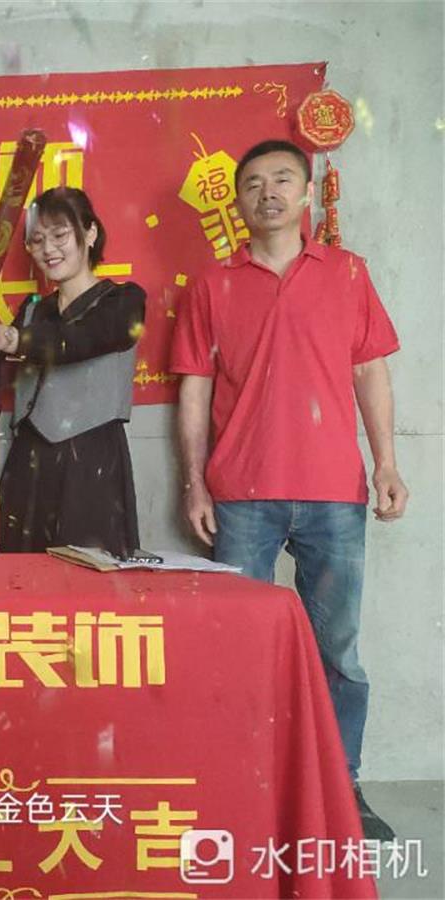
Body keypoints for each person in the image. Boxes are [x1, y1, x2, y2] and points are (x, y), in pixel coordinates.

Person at [170, 139, 408, 841]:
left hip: (334, 491)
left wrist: (387, 463)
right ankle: (243, 780)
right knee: (236, 646)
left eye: (282, 179)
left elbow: (369, 371)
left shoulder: (348, 273)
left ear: (307, 193)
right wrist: (193, 484)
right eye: (252, 183)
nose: (267, 192)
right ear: (238, 202)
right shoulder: (211, 285)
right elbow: (194, 389)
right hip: (241, 493)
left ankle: (342, 785)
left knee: (337, 650)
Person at [0, 187, 145, 556]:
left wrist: (9, 339)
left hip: (91, 463)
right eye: (37, 240)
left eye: (60, 235)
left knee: (91, 575)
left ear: (90, 233)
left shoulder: (123, 302)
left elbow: (79, 339)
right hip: (28, 461)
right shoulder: (31, 311)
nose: (48, 249)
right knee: (21, 575)